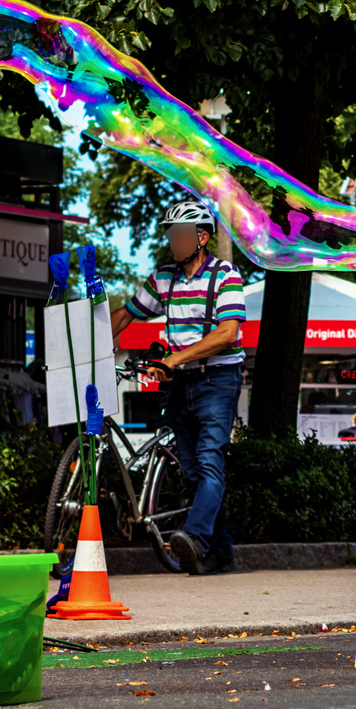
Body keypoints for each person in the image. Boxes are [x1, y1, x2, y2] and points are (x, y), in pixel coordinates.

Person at [110, 201, 247, 575]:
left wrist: (174, 358)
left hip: (217, 380)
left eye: (181, 235)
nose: (174, 241)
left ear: (202, 238)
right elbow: (125, 315)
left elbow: (228, 332)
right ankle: (222, 553)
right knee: (191, 471)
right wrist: (84, 342)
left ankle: (196, 538)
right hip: (180, 383)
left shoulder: (225, 275)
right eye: (171, 235)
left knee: (209, 461)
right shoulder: (163, 278)